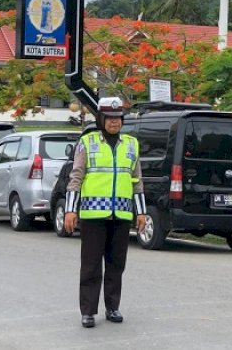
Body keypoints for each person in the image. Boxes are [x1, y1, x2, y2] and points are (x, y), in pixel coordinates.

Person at [63, 97, 147, 329]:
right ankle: (88, 311)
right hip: (93, 215)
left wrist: (141, 213)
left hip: (121, 215)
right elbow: (76, 177)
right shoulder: (87, 142)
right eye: (110, 118)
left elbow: (137, 181)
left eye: (118, 118)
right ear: (101, 119)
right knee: (90, 266)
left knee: (116, 264)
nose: (114, 122)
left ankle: (113, 307)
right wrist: (70, 210)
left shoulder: (131, 144)